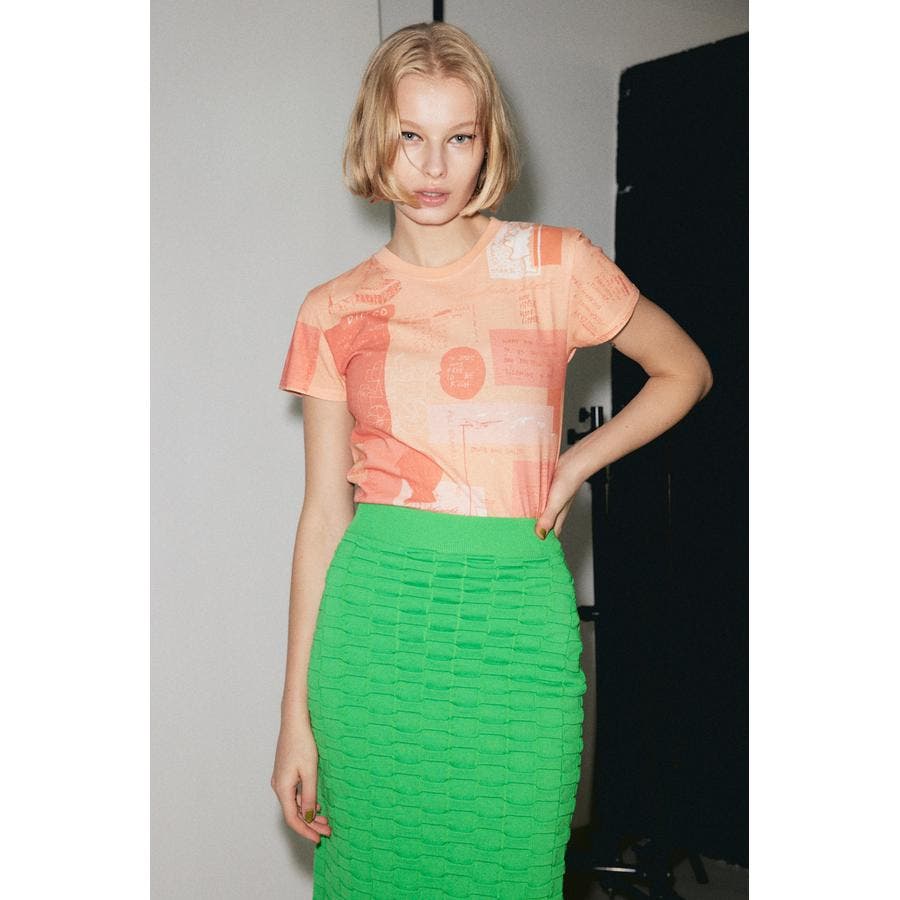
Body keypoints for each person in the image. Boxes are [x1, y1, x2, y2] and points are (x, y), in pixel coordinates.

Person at [271, 20, 712, 899]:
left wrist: (577, 463)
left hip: (515, 638)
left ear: (487, 144)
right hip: (375, 643)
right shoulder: (334, 309)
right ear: (375, 136)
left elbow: (685, 371)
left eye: (459, 138)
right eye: (410, 136)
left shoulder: (554, 266)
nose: (433, 167)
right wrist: (295, 719)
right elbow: (322, 518)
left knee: (513, 870)